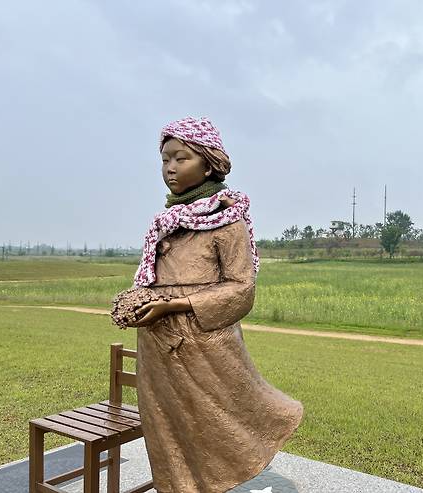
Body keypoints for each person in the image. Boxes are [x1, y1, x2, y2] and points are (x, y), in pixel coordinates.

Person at [126, 116, 304, 493]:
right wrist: (140, 302)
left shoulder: (228, 221)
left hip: (206, 350)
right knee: (165, 429)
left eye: (181, 158)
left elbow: (241, 289)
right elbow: (152, 278)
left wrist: (175, 305)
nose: (170, 168)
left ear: (208, 163)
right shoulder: (166, 223)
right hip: (158, 349)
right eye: (164, 160)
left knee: (211, 429)